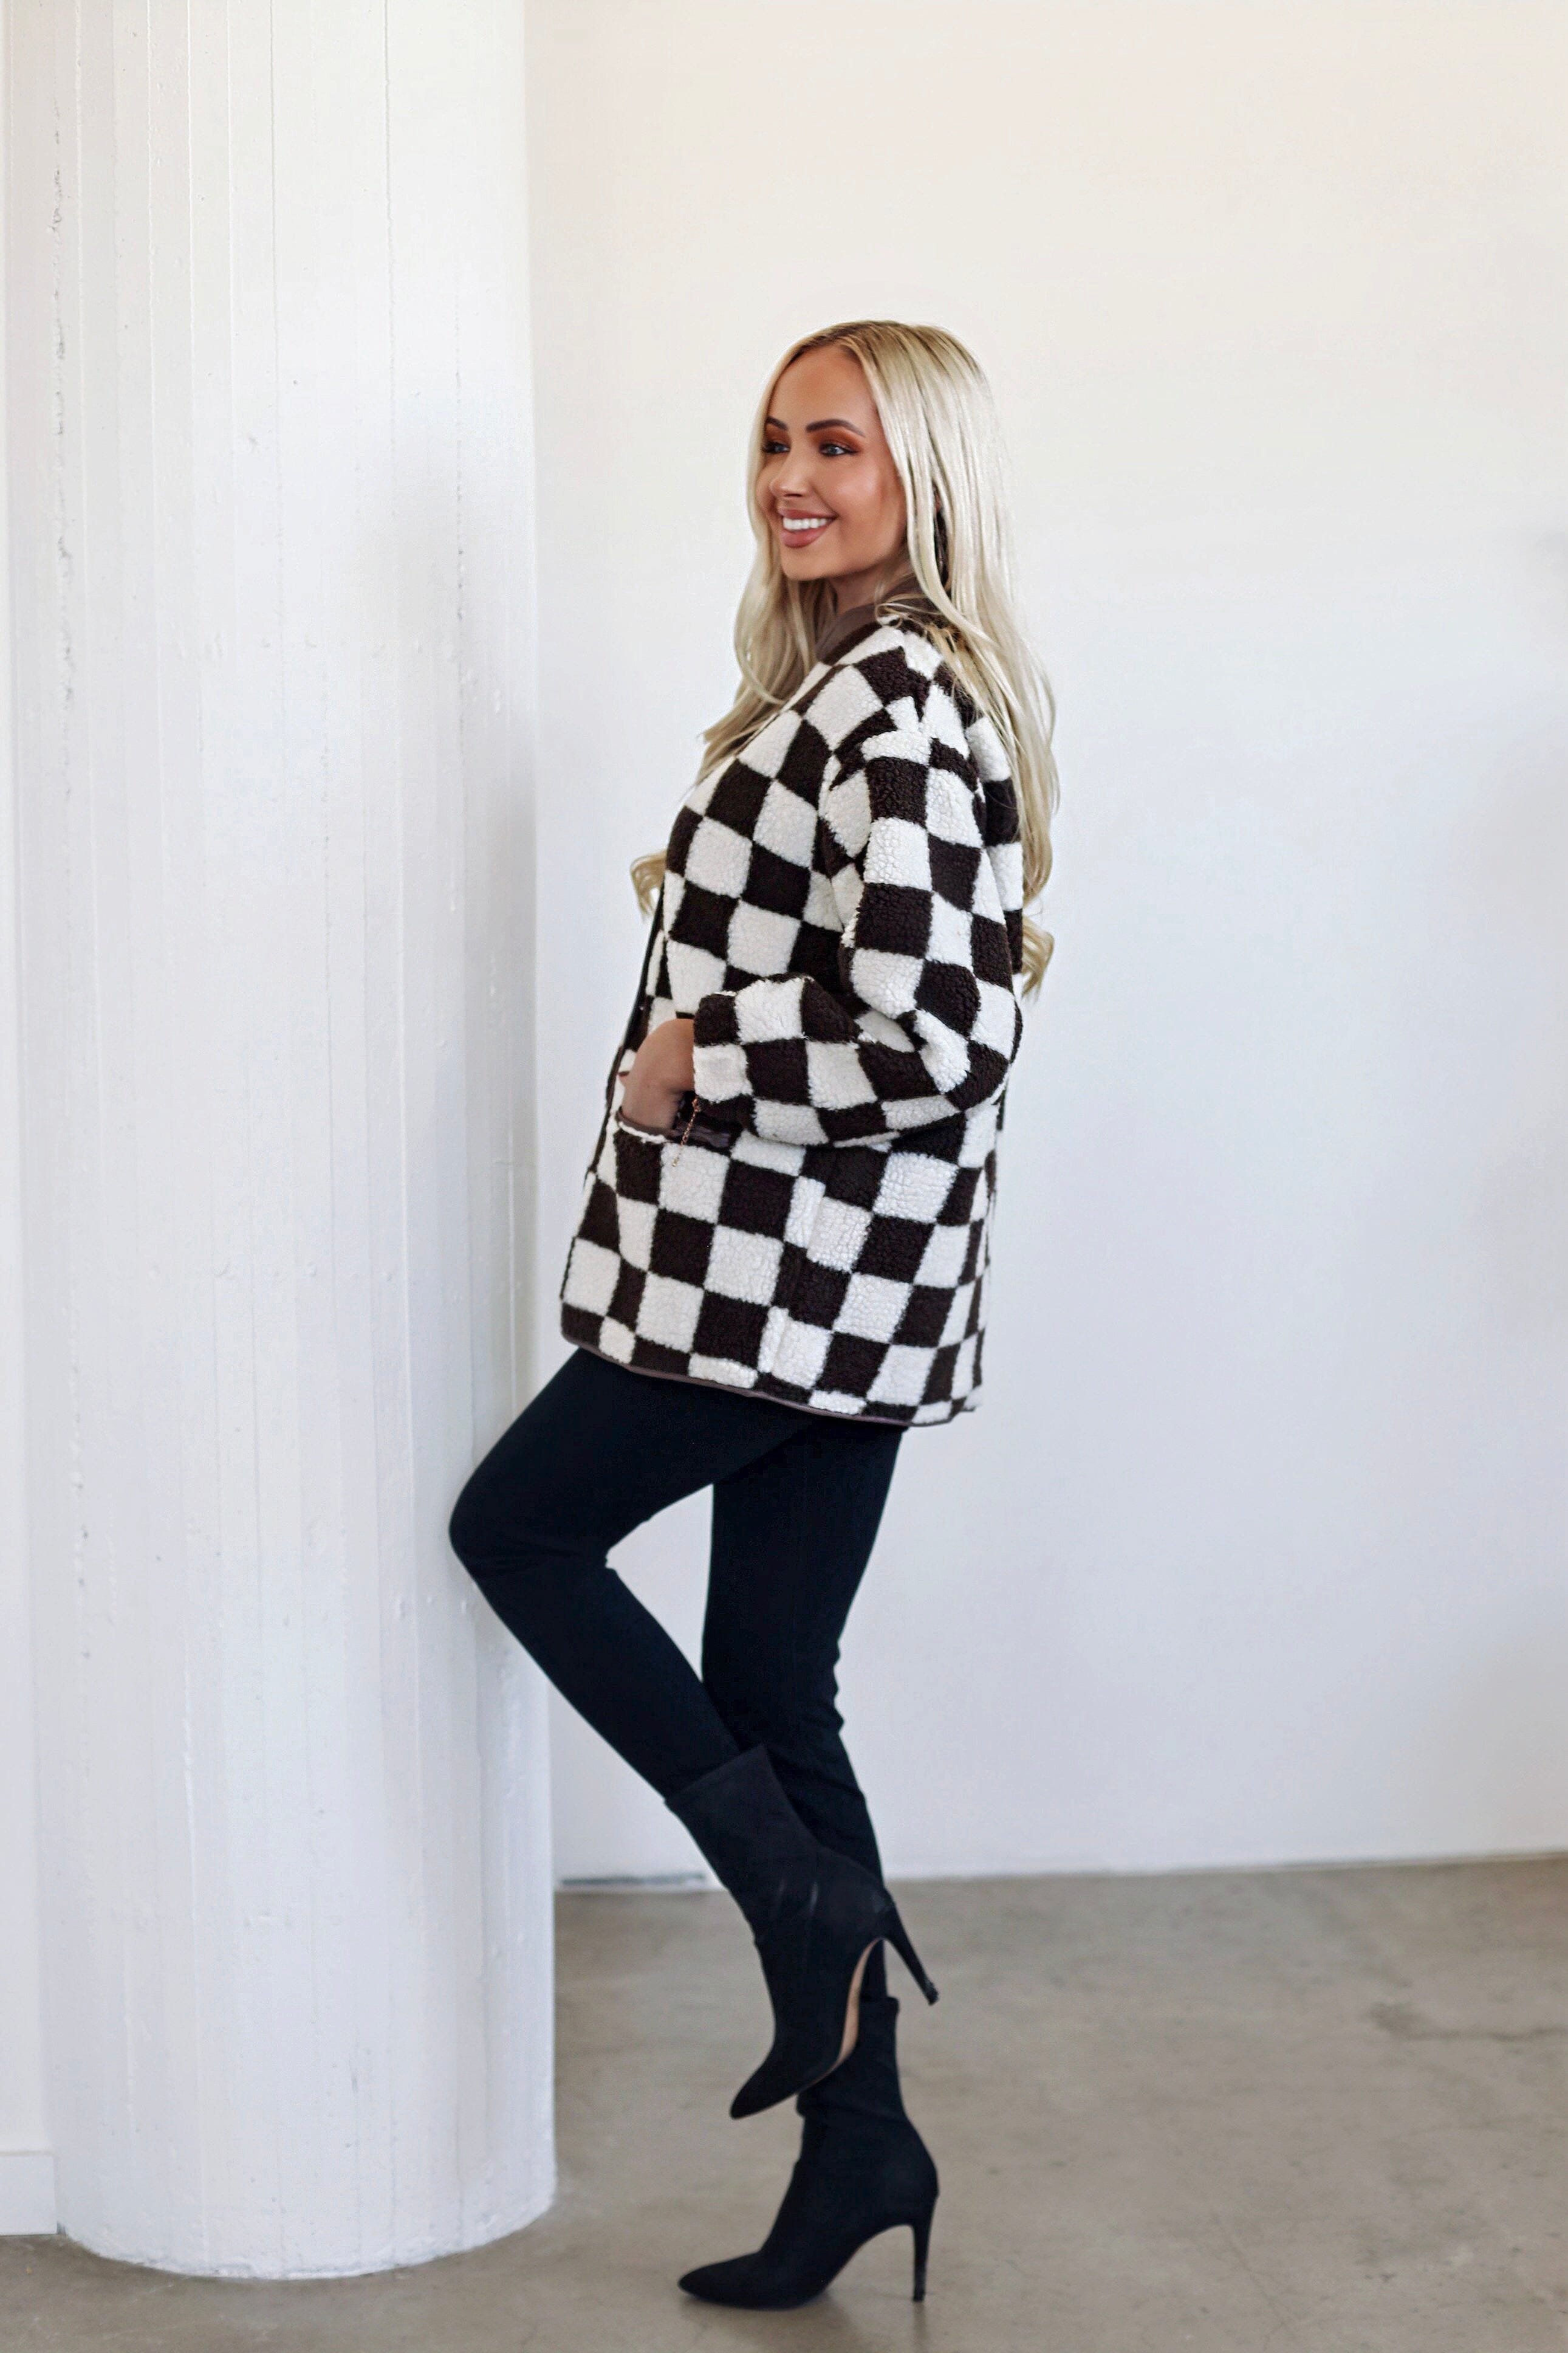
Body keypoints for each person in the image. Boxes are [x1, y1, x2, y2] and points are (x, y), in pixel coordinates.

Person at [449, 318, 1056, 2310]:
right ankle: (864, 2145)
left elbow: (941, 1035)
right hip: (841, 1295)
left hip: (777, 1290)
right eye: (779, 441)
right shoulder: (860, 686)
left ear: (926, 476)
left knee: (519, 1529)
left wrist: (699, 1056)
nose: (793, 478)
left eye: (841, 447)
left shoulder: (893, 704)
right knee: (776, 1684)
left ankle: (800, 1900)